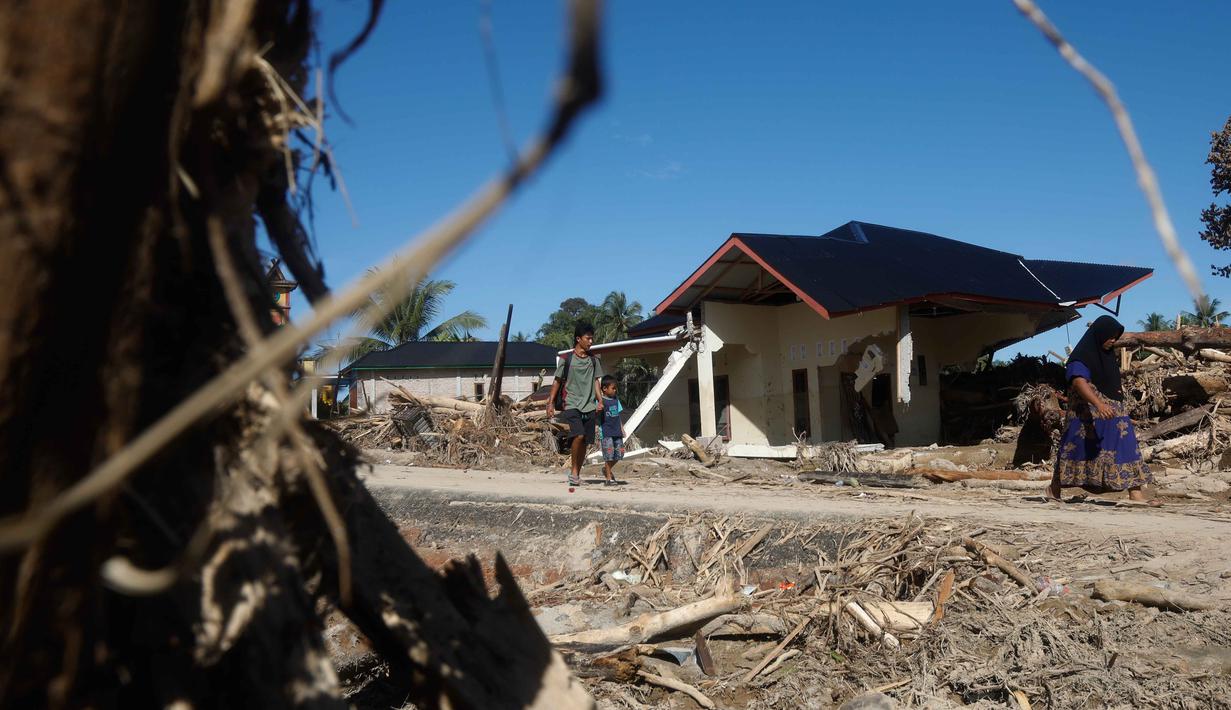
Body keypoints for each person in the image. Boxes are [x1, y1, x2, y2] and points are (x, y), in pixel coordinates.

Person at [1048, 316, 1157, 505]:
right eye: (1110, 336)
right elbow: (1078, 381)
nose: (1113, 340)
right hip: (1086, 418)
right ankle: (1054, 489)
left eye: (1116, 337)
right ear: (1099, 335)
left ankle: (1136, 494)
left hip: (1115, 418)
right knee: (1073, 450)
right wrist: (1099, 404)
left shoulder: (1107, 357)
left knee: (1127, 447)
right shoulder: (1082, 357)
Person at [545, 322, 604, 486]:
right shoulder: (567, 360)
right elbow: (557, 381)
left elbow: (596, 382)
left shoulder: (594, 361)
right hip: (571, 403)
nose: (591, 341)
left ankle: (577, 474)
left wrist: (600, 400)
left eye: (592, 338)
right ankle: (573, 472)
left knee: (585, 440)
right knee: (578, 435)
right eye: (588, 338)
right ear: (578, 339)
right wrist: (550, 403)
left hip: (590, 405)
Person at [597, 375, 626, 486]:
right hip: (606, 432)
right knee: (609, 455)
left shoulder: (616, 400)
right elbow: (597, 416)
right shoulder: (601, 401)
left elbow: (617, 415)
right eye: (613, 388)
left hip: (617, 431)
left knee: (620, 454)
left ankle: (606, 469)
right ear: (604, 389)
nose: (615, 390)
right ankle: (609, 479)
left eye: (615, 388)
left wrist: (622, 428)